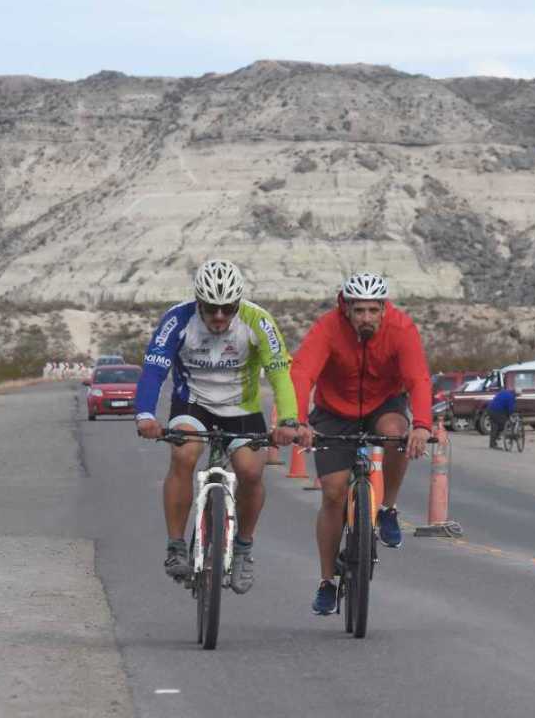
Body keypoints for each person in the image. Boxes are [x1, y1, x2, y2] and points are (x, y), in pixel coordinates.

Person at [134, 259, 298, 592]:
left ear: (238, 302)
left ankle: (243, 548)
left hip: (241, 408)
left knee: (251, 471)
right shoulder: (178, 319)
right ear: (198, 302)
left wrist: (289, 420)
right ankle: (176, 546)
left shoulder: (258, 320)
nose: (220, 316)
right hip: (194, 403)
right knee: (183, 455)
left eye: (228, 308)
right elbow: (154, 370)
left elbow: (280, 373)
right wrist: (145, 415)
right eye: (211, 309)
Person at [291, 272, 433, 615]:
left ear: (384, 308)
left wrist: (422, 426)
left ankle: (387, 509)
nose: (366, 318)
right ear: (347, 309)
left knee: (397, 433)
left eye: (373, 310)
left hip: (383, 405)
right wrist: (298, 420)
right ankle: (327, 582)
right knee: (333, 494)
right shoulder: (328, 328)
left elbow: (418, 378)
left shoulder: (401, 329)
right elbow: (302, 373)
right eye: (359, 311)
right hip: (334, 411)